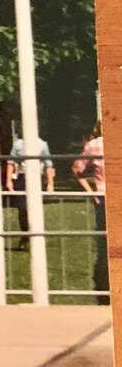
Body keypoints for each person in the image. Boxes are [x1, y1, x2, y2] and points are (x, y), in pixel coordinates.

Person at [73, 123, 107, 300]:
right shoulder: (95, 145)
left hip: (103, 197)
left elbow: (77, 168)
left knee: (105, 246)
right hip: (104, 198)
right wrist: (92, 192)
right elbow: (77, 169)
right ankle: (105, 290)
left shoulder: (93, 145)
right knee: (105, 246)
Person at [6, 133, 55, 249]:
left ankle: (36, 236)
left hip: (36, 178)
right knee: (22, 209)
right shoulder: (18, 144)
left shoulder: (42, 144)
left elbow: (49, 165)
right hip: (22, 178)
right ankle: (25, 234)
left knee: (35, 209)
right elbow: (11, 163)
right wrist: (9, 181)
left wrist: (50, 183)